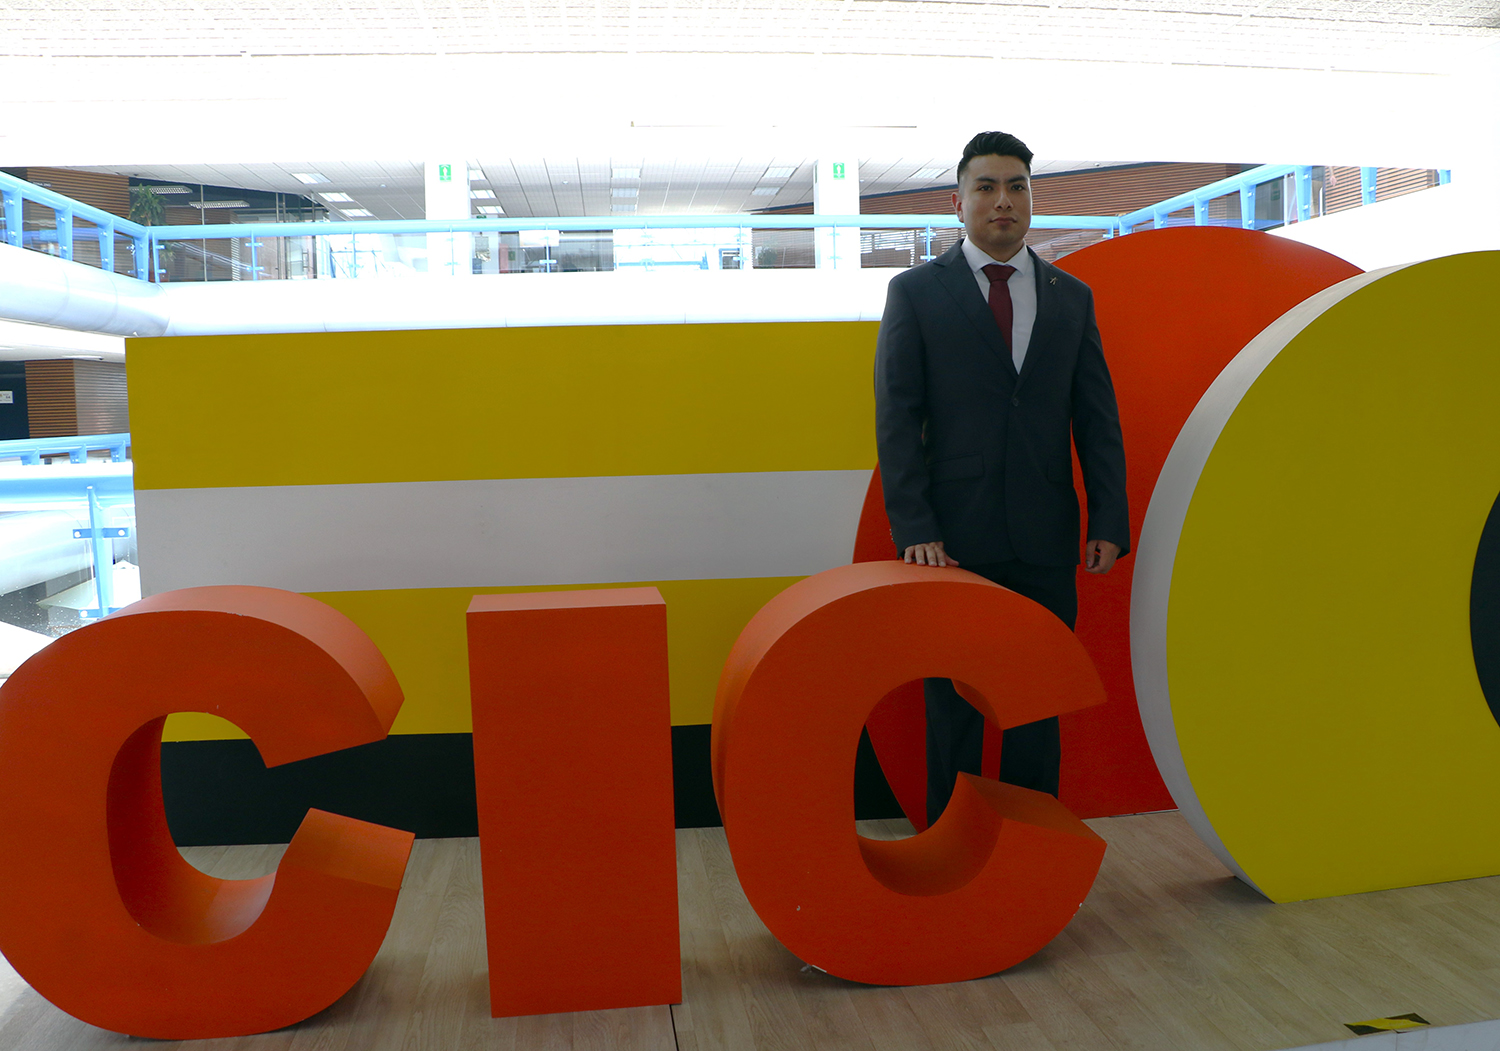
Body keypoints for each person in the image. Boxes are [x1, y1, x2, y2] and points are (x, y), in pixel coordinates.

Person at [873, 130, 1129, 827]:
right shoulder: (915, 293)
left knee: (1036, 709)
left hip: (1046, 539)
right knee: (952, 712)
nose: (1003, 201)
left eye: (1017, 186)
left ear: (1031, 200)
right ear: (958, 204)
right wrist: (915, 527)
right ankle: (949, 857)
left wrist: (1108, 517)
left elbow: (1096, 417)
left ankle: (1031, 860)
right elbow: (897, 418)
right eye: (986, 187)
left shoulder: (1071, 297)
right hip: (950, 545)